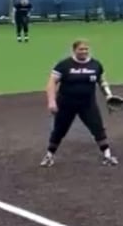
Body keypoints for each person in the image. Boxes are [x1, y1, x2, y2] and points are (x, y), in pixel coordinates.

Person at [41, 39, 118, 167]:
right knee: (59, 130)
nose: (84, 51)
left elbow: (102, 81)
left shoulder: (95, 65)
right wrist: (51, 101)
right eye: (81, 49)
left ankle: (108, 156)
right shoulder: (64, 65)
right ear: (74, 50)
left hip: (87, 104)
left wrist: (109, 95)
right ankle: (49, 156)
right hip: (66, 104)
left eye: (86, 49)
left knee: (97, 128)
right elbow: (51, 83)